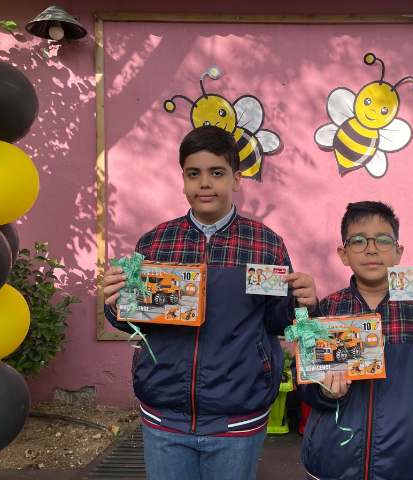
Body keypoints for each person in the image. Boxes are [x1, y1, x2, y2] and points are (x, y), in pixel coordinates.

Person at [102, 126, 317, 480]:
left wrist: (302, 302)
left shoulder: (265, 244)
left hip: (238, 414)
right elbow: (134, 322)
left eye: (216, 173)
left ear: (236, 179)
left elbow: (278, 321)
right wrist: (115, 304)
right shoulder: (155, 243)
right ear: (183, 180)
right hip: (165, 413)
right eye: (194, 173)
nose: (205, 183)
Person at [298, 201, 413, 480]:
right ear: (343, 254)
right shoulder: (327, 310)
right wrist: (325, 392)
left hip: (401, 464)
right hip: (332, 463)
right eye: (358, 241)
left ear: (398, 252)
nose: (371, 249)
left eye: (383, 240)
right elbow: (305, 388)